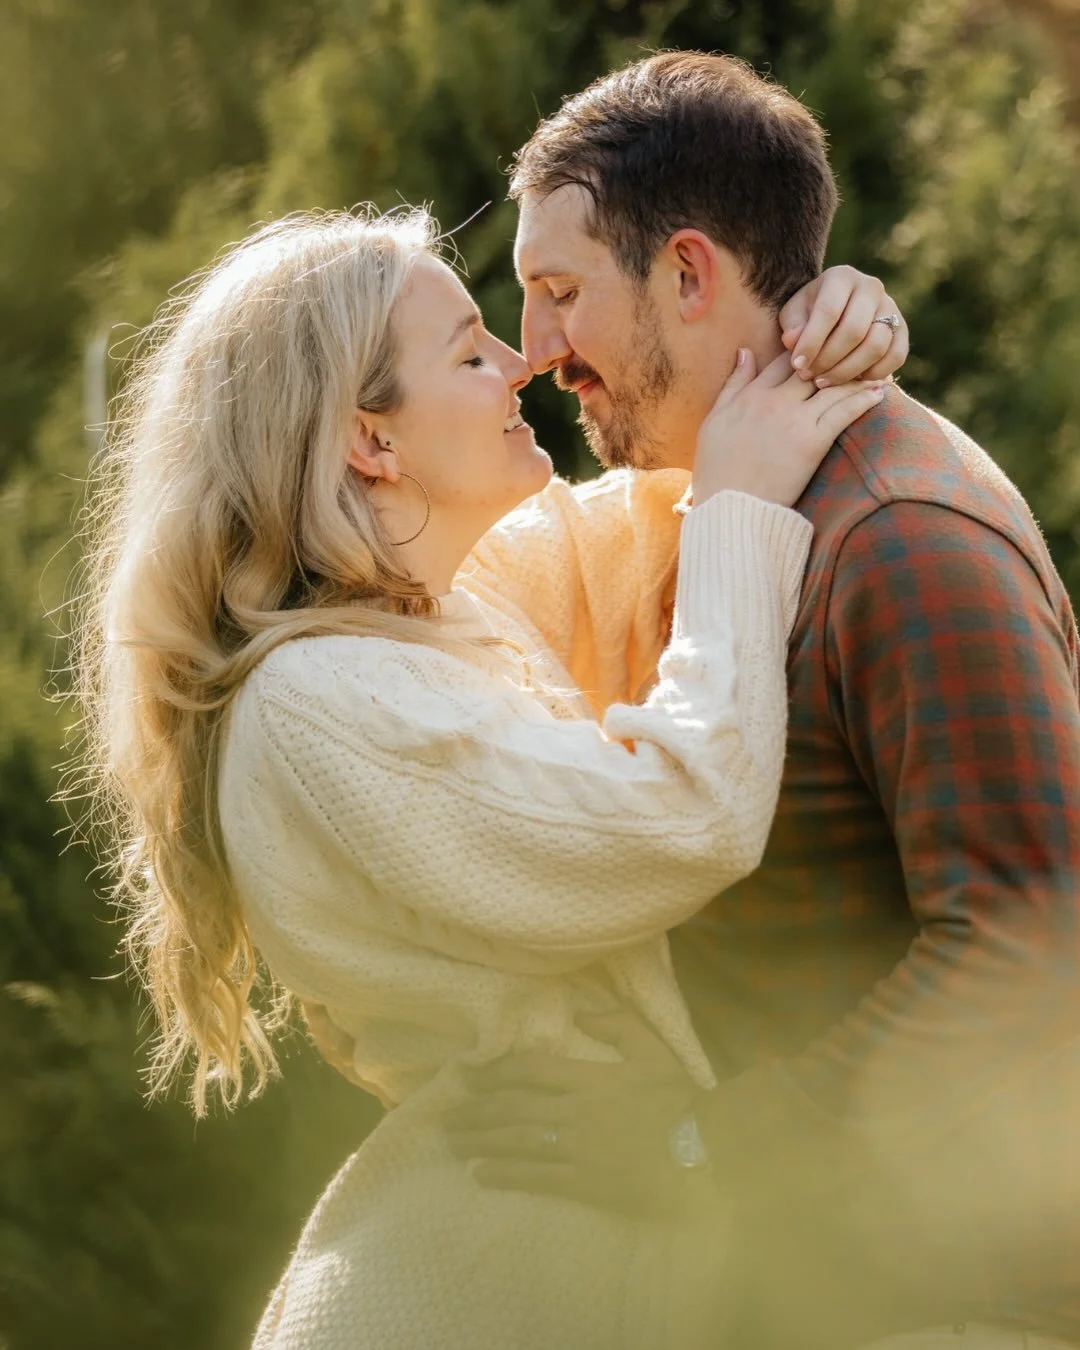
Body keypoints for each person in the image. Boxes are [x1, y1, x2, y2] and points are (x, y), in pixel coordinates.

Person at [74, 201, 898, 1349]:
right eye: (470, 353)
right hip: (469, 1292)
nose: (523, 364)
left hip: (573, 1264)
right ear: (371, 441)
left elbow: (674, 498)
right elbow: (687, 813)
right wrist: (741, 495)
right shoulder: (322, 705)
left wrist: (814, 329)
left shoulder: (442, 611)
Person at [440, 50, 1080, 1350]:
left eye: (559, 294)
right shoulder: (722, 505)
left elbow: (1030, 957)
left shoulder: (903, 538)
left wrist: (697, 1144)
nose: (538, 352)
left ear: (689, 274)